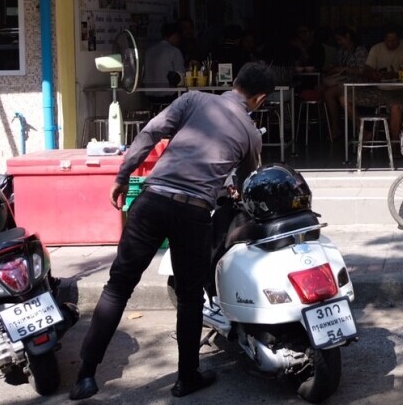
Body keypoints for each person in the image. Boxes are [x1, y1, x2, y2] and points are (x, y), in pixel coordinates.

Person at [68, 62, 276, 401]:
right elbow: (246, 180)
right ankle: (186, 378)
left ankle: (86, 377)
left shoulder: (193, 99)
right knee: (190, 296)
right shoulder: (251, 134)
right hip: (193, 215)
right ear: (260, 99)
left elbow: (150, 133)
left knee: (118, 288)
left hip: (151, 202)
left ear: (234, 82)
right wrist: (231, 188)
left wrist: (123, 176)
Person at [342, 26, 403, 142]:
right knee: (344, 97)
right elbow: (366, 69)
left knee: (396, 106)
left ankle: (395, 142)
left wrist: (396, 75)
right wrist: (373, 73)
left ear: (399, 39)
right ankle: (364, 131)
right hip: (379, 90)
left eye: (394, 40)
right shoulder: (376, 49)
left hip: (400, 90)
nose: (391, 44)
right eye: (388, 40)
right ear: (383, 39)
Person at [322, 26, 368, 140]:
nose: (339, 42)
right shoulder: (341, 51)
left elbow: (363, 71)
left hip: (356, 83)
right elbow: (338, 66)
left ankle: (335, 127)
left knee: (329, 93)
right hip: (342, 81)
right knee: (320, 88)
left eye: (340, 39)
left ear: (347, 36)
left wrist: (345, 69)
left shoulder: (360, 50)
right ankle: (329, 125)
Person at [143, 21, 186, 108]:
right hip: (168, 97)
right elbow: (181, 77)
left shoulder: (149, 51)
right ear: (175, 35)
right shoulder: (174, 51)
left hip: (149, 96)